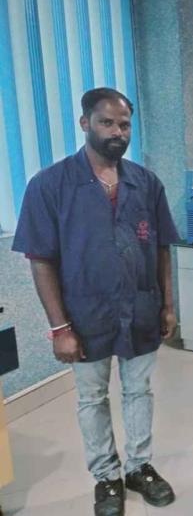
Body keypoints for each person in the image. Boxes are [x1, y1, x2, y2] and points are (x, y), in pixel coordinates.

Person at [12, 87, 178, 516]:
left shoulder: (146, 183)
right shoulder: (50, 185)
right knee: (92, 398)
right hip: (84, 316)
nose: (117, 132)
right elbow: (41, 261)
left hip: (141, 309)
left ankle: (139, 467)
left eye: (124, 124)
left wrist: (167, 305)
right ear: (85, 123)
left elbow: (162, 248)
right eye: (107, 122)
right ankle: (106, 476)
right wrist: (59, 328)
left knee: (139, 391)